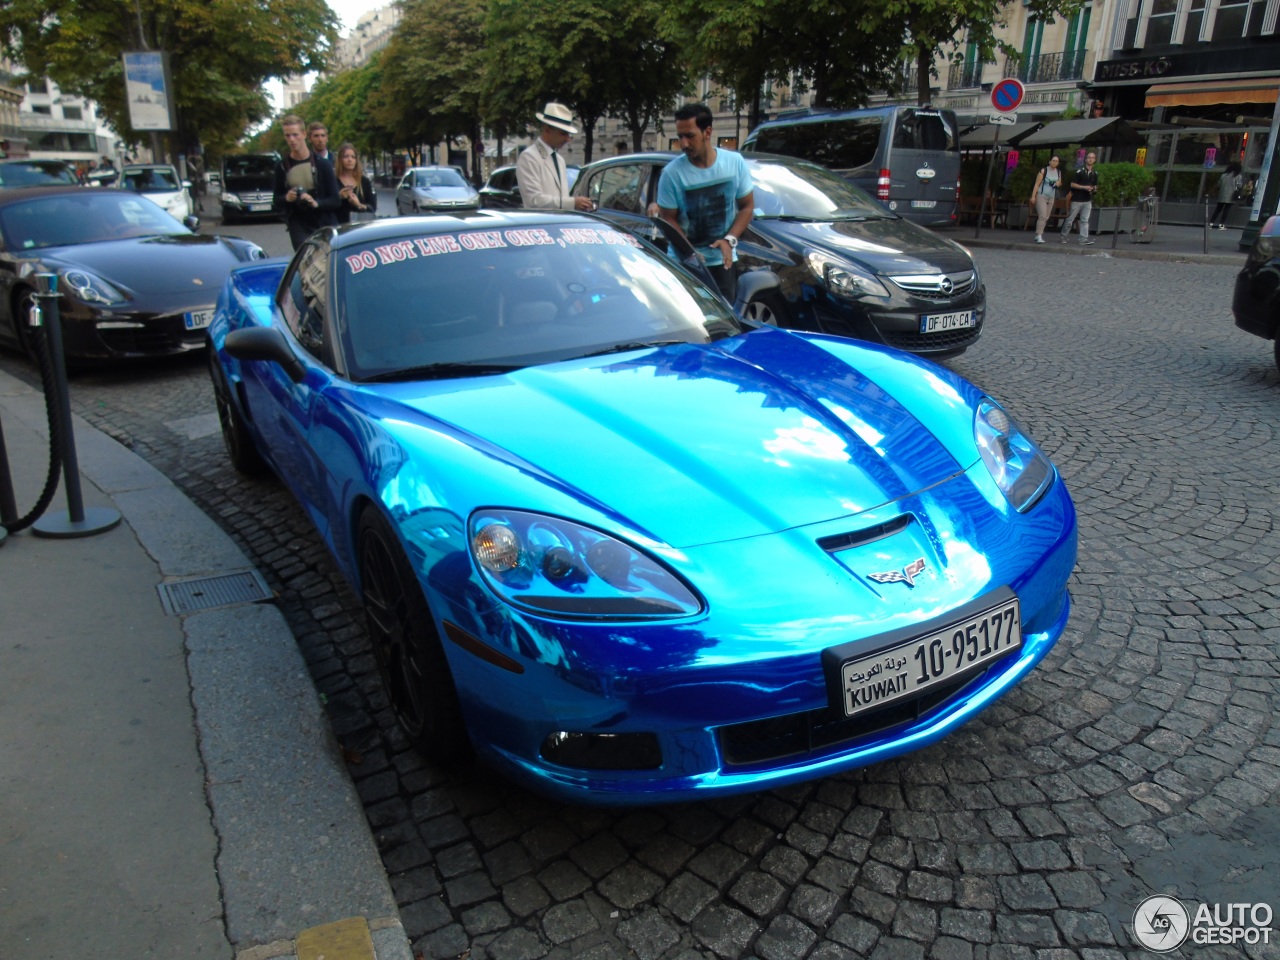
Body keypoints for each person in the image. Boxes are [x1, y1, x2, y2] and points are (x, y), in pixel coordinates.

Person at [655, 102, 754, 301]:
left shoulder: (734, 163)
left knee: (725, 325)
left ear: (707, 132)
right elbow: (668, 219)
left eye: (689, 136)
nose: (683, 144)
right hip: (686, 265)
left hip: (723, 262)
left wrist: (730, 240)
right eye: (680, 136)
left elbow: (747, 206)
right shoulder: (671, 174)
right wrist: (689, 254)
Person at [273, 114, 340, 250]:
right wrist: (287, 198)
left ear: (304, 134)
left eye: (295, 135)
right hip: (298, 224)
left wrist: (316, 203)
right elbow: (276, 200)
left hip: (324, 224)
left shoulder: (323, 164)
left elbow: (335, 200)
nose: (291, 140)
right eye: (287, 136)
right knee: (305, 264)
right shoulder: (281, 166)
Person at [516, 102, 595, 212]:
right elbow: (533, 200)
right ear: (547, 130)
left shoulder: (559, 160)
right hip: (541, 226)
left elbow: (562, 199)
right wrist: (573, 202)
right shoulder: (529, 157)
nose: (568, 139)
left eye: (568, 134)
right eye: (563, 134)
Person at [1060, 151, 1098, 246]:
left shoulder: (1094, 173)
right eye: (1089, 157)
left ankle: (1083, 239)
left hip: (1087, 199)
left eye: (1092, 158)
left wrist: (1093, 189)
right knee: (1070, 219)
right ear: (1085, 159)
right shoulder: (1080, 171)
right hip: (1077, 199)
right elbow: (1072, 184)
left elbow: (1095, 185)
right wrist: (1083, 187)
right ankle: (1063, 236)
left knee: (1085, 220)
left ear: (1095, 160)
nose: (1090, 159)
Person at [335, 142, 377, 224]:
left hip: (360, 228)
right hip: (340, 226)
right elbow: (328, 206)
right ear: (340, 159)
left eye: (353, 157)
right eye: (346, 157)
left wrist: (359, 205)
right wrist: (338, 197)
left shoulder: (364, 181)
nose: (350, 160)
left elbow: (372, 208)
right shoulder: (334, 180)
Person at [1028, 155, 1062, 244]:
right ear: (1049, 161)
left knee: (1046, 217)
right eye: (1053, 160)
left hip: (1052, 196)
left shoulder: (1058, 172)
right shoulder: (1044, 171)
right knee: (1042, 215)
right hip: (1042, 195)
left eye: (1056, 161)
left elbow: (1059, 182)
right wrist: (1033, 196)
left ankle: (1038, 234)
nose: (1055, 162)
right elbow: (1036, 184)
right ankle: (1039, 235)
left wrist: (1058, 184)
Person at [1210, 162, 1244, 230]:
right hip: (1231, 195)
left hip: (1222, 194)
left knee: (1218, 209)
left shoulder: (1223, 175)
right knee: (1226, 210)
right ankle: (1221, 225)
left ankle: (1210, 223)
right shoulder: (1238, 176)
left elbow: (1219, 184)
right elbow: (1239, 185)